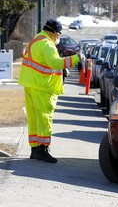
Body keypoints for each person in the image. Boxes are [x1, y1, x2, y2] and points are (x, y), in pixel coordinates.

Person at [18, 19, 85, 163]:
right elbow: (55, 63)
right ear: (53, 32)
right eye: (59, 33)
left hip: (30, 83)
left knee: (34, 117)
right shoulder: (47, 44)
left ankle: (34, 149)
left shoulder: (36, 39)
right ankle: (42, 149)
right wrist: (76, 58)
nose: (59, 36)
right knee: (45, 117)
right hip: (43, 86)